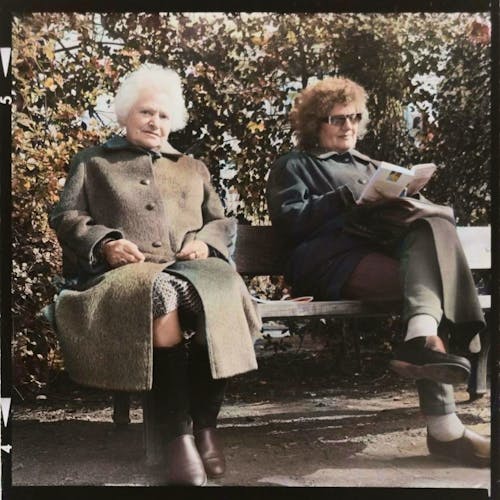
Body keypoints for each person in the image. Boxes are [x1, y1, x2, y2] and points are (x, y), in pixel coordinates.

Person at [50, 64, 261, 486]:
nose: (154, 122)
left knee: (218, 296)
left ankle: (205, 427)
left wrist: (205, 240)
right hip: (125, 275)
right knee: (161, 293)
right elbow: (66, 215)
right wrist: (105, 243)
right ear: (125, 115)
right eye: (145, 112)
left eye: (164, 115)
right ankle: (177, 437)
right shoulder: (93, 162)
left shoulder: (191, 167)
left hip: (192, 268)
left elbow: (221, 221)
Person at [266, 77, 490, 467]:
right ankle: (445, 428)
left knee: (431, 230)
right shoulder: (294, 166)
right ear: (315, 123)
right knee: (434, 288)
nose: (348, 126)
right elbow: (290, 223)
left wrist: (417, 200)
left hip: (383, 254)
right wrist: (345, 198)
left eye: (353, 117)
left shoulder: (370, 165)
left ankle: (420, 340)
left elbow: (424, 219)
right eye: (337, 119)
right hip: (331, 261)